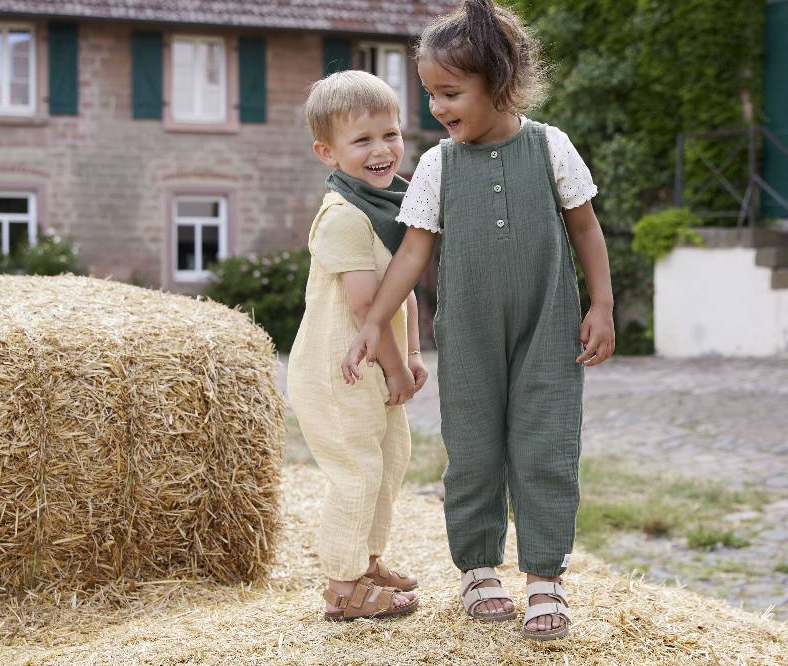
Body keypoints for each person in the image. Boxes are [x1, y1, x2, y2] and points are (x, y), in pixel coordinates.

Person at [340, 0, 615, 640]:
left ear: (499, 82)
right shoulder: (437, 164)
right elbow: (412, 250)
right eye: (430, 94)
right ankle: (478, 569)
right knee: (473, 453)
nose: (436, 107)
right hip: (466, 338)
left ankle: (545, 579)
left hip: (549, 330)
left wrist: (601, 304)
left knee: (546, 447)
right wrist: (374, 323)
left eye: (450, 92)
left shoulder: (551, 147)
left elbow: (585, 227)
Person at [288, 70, 429, 621]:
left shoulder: (387, 206)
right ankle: (344, 589)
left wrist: (412, 356)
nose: (381, 149)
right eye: (362, 140)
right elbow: (366, 308)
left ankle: (368, 561)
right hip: (337, 370)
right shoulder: (344, 217)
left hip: (375, 364)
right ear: (327, 152)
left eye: (390, 134)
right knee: (358, 471)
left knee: (391, 459)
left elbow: (404, 295)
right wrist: (395, 370)